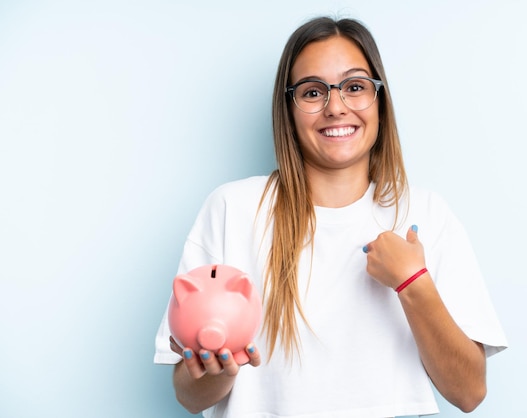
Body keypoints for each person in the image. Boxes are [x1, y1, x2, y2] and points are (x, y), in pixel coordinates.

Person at [154, 16, 507, 418]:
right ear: (288, 108)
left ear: (380, 100)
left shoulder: (425, 215)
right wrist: (217, 371)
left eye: (355, 87)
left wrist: (413, 282)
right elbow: (189, 395)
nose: (335, 107)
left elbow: (469, 393)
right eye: (312, 92)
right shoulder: (233, 209)